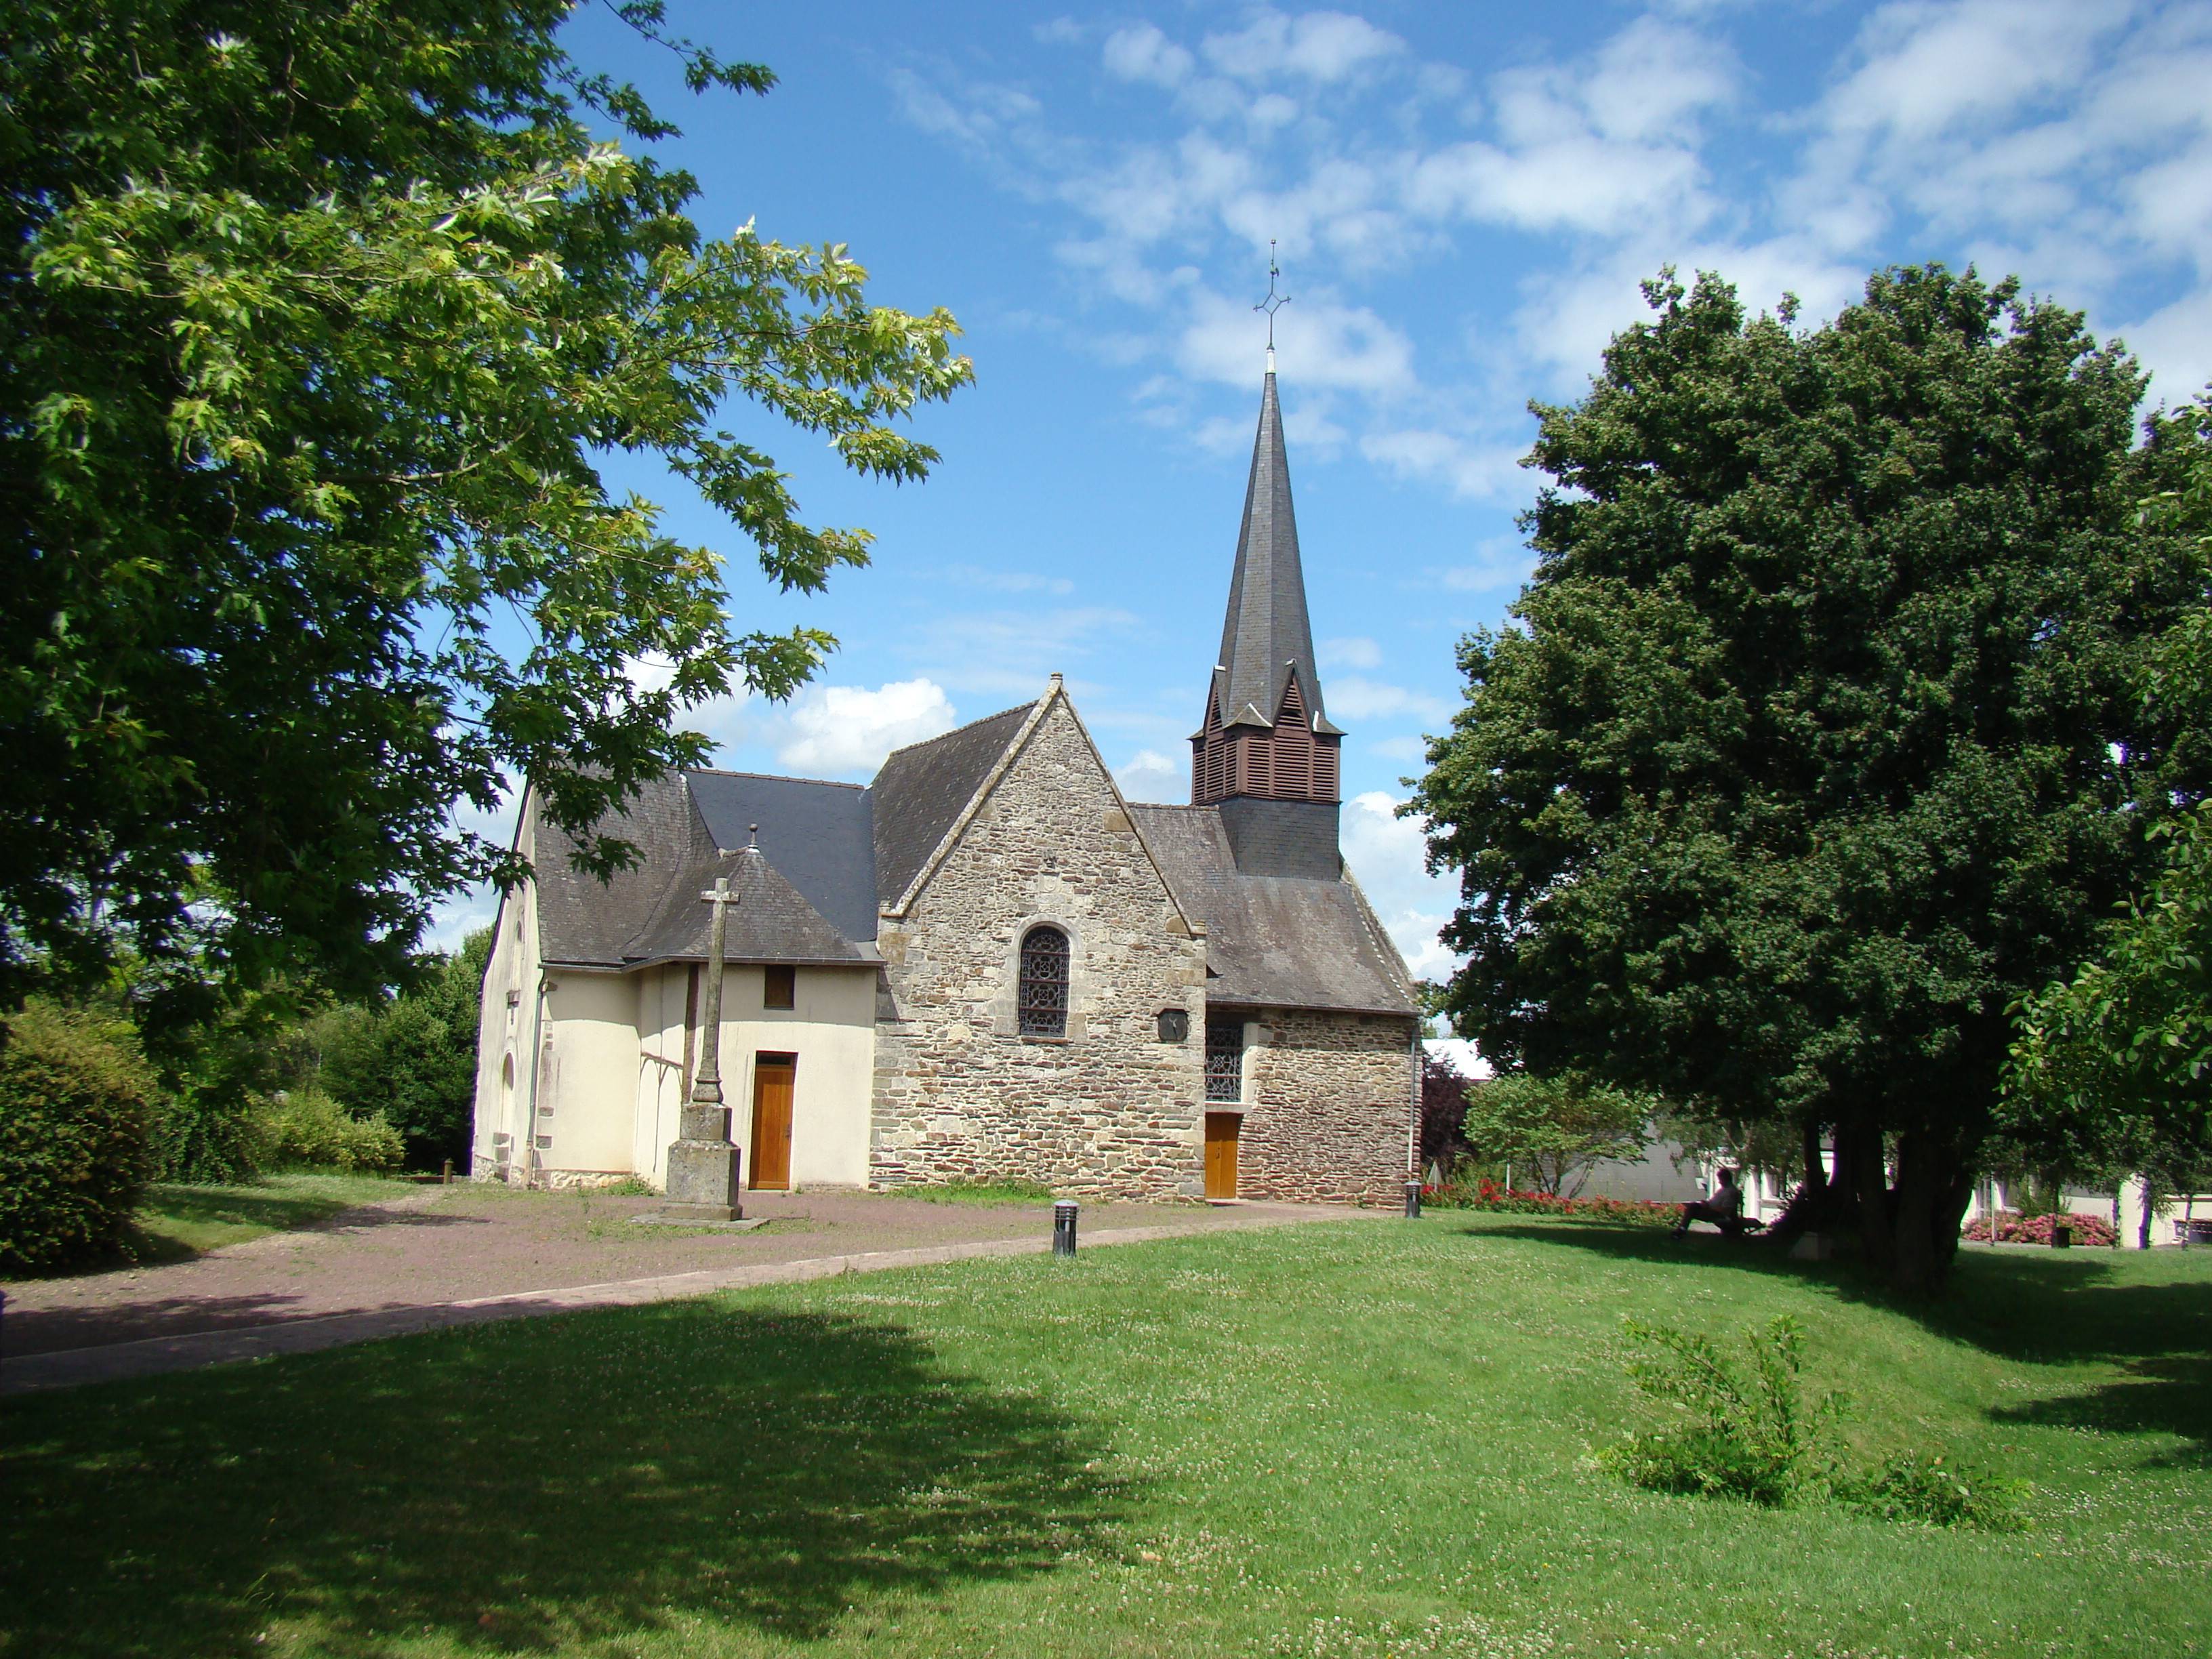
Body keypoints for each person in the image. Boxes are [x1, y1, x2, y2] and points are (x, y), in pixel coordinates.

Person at [1673, 1166, 1746, 1239]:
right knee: (1692, 1206)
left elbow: (1726, 1210)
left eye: (1720, 1180)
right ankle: (1682, 1229)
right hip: (1710, 1209)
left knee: (1692, 1208)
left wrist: (1709, 1207)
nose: (1719, 1182)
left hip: (1717, 1214)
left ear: (1725, 1179)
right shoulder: (1723, 1190)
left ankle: (1682, 1230)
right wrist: (1706, 1204)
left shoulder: (1731, 1192)